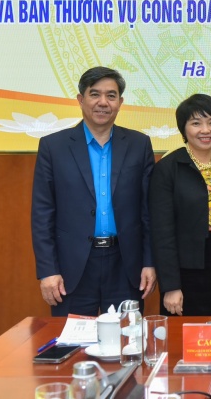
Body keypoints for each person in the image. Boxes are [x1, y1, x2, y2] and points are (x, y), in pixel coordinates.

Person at [31, 66, 156, 316]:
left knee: (126, 338)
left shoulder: (139, 144)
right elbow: (42, 214)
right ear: (81, 99)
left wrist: (149, 262)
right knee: (73, 338)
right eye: (95, 94)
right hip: (72, 268)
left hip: (126, 266)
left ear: (120, 103)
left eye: (111, 96)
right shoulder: (53, 147)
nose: (103, 102)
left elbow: (148, 211)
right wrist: (48, 270)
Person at [149, 94, 211, 317]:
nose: (205, 130)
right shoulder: (168, 168)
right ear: (183, 128)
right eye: (196, 123)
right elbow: (162, 231)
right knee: (185, 335)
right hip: (186, 272)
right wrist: (171, 286)